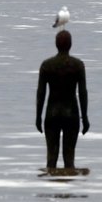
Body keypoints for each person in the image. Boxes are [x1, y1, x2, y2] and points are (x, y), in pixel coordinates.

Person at [36, 29, 89, 170]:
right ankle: (70, 188)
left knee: (51, 161)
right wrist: (85, 118)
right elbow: (82, 93)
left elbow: (41, 93)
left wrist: (38, 117)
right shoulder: (77, 65)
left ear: (56, 45)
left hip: (52, 114)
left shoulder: (46, 65)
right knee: (69, 161)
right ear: (70, 45)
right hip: (71, 115)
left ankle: (50, 186)